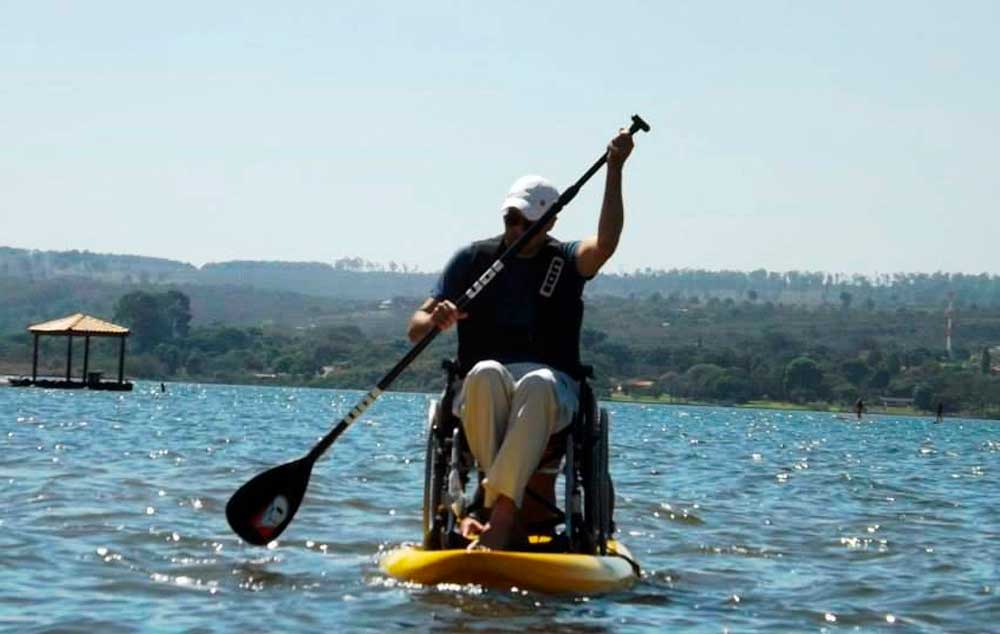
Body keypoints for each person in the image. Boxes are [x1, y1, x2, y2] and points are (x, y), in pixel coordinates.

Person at [407, 129, 635, 550]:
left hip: (553, 389)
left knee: (537, 382)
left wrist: (615, 170)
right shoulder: (472, 259)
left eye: (526, 222)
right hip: (482, 384)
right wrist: (435, 317)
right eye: (510, 219)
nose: (515, 229)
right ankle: (502, 511)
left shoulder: (564, 259)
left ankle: (497, 514)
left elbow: (605, 244)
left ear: (548, 223)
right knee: (487, 373)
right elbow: (415, 327)